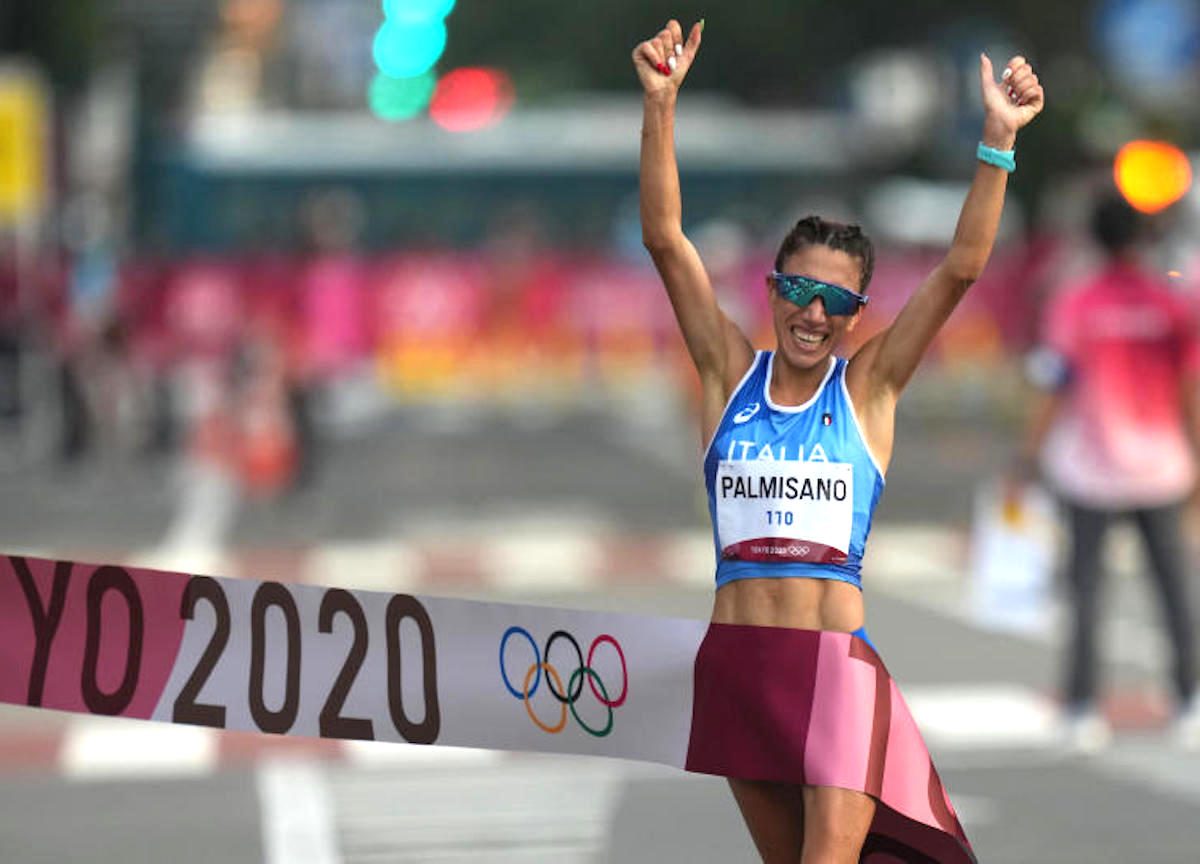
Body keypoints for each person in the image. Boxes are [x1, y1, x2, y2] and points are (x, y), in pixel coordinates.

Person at [634, 18, 1043, 863]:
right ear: (773, 287)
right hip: (738, 673)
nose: (813, 314)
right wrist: (660, 106)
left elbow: (961, 269)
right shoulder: (725, 376)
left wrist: (996, 141)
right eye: (797, 289)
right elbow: (666, 241)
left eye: (837, 303)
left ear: (858, 315)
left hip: (835, 675)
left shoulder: (869, 390)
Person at [1013, 194, 1200, 752]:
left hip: (1089, 468)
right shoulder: (1169, 299)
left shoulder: (1076, 301)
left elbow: (1053, 384)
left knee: (1087, 589)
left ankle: (1080, 707)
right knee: (1172, 589)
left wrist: (1026, 458)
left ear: (1092, 237)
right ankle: (1190, 700)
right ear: (1142, 238)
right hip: (1161, 464)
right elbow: (1191, 388)